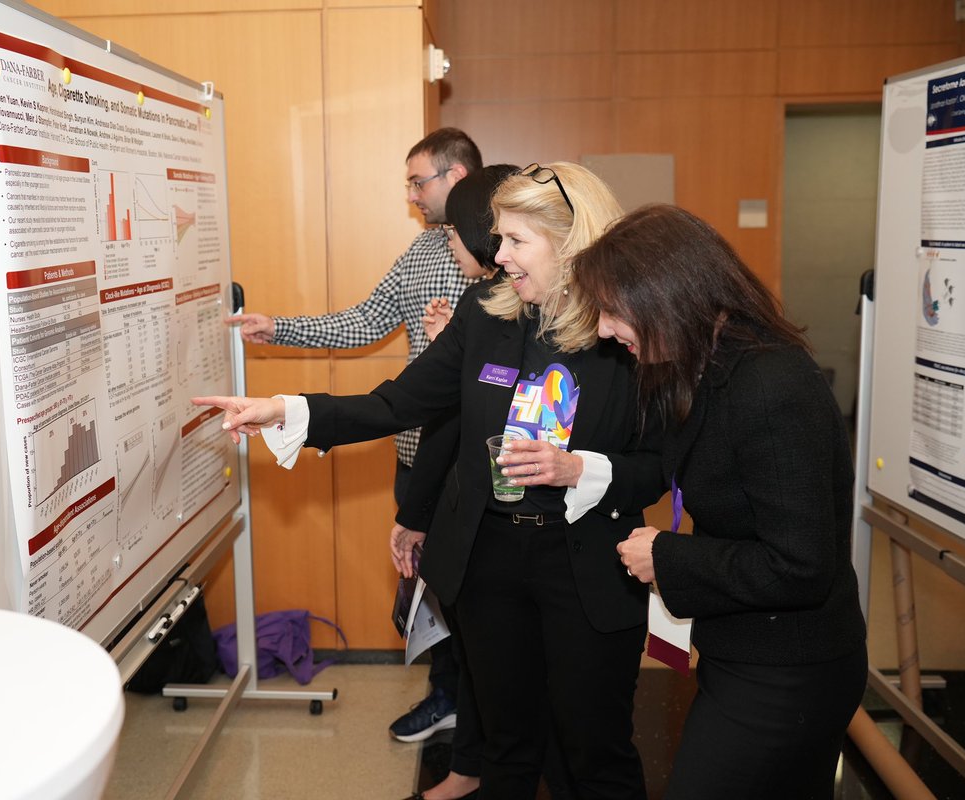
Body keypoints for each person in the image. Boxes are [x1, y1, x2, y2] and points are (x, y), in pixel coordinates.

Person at [196, 163, 665, 800]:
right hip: (488, 561)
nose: (498, 255)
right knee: (506, 746)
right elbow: (398, 403)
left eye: (516, 241)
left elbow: (659, 465)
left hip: (585, 567)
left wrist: (579, 469)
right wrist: (288, 411)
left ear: (573, 238)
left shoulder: (629, 330)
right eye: (497, 239)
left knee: (591, 749)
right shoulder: (487, 312)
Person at [582, 204, 868, 800]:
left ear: (667, 295)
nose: (605, 329)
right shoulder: (702, 366)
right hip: (742, 652)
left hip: (789, 672)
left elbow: (802, 566)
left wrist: (669, 557)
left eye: (612, 310)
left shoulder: (769, 384)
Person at [227, 128, 483, 744]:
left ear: (456, 176)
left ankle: (482, 719)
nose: (413, 195)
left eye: (419, 181)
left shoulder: (511, 259)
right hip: (416, 455)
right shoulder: (422, 253)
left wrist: (466, 341)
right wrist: (278, 326)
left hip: (475, 466)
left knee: (477, 600)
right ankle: (449, 698)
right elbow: (364, 320)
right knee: (428, 594)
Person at [393, 164, 516, 800]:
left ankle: (478, 764)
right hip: (462, 499)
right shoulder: (476, 304)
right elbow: (428, 408)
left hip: (523, 519)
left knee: (505, 671)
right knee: (470, 650)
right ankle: (468, 765)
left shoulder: (526, 305)